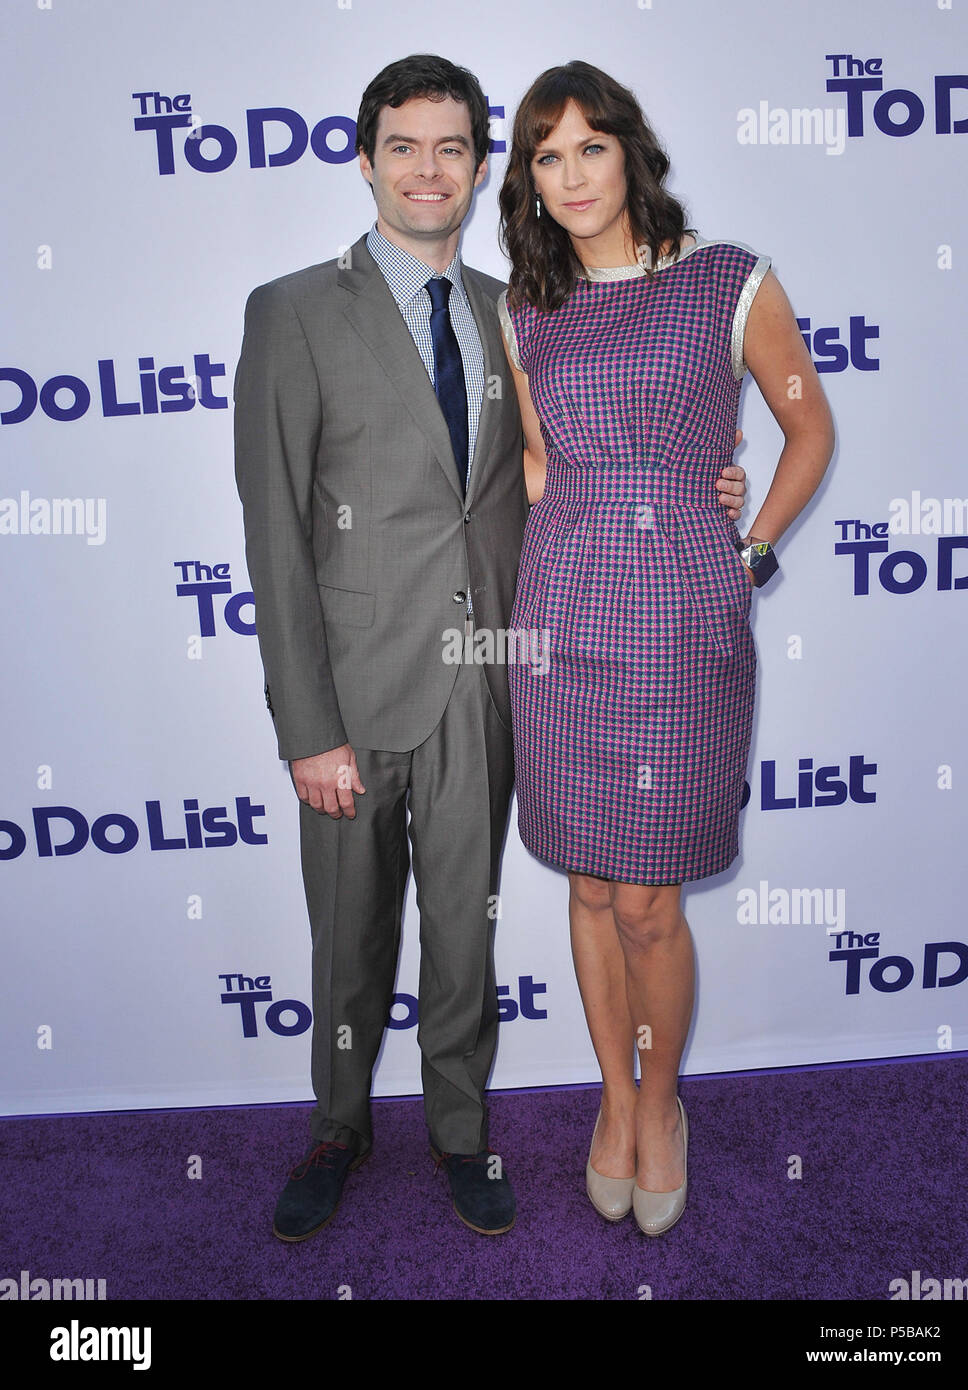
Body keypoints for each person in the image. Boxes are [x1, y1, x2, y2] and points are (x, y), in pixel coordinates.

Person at [233, 53, 748, 1243]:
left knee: (466, 928)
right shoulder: (292, 310)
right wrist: (306, 724)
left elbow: (567, 469)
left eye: (453, 146)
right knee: (350, 933)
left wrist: (707, 482)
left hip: (504, 676)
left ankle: (461, 1132)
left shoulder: (521, 307)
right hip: (356, 697)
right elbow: (273, 528)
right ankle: (337, 1128)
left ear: (479, 167)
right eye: (403, 146)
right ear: (365, 161)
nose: (429, 168)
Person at [497, 61, 834, 1236]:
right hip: (562, 608)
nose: (570, 174)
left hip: (684, 608)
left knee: (649, 899)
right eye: (546, 155)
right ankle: (612, 1100)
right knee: (588, 883)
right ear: (529, 183)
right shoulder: (523, 304)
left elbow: (805, 421)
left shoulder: (728, 278)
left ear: (630, 153)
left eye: (589, 147)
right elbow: (540, 465)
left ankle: (662, 1095)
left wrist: (749, 547)